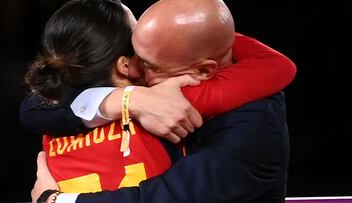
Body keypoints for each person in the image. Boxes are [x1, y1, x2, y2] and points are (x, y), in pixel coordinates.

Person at [28, 0, 296, 202]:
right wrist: (126, 99)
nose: (133, 71)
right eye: (133, 54)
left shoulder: (256, 122)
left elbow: (172, 196)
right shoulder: (146, 84)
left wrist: (57, 200)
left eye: (148, 64)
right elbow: (34, 108)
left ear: (203, 70)